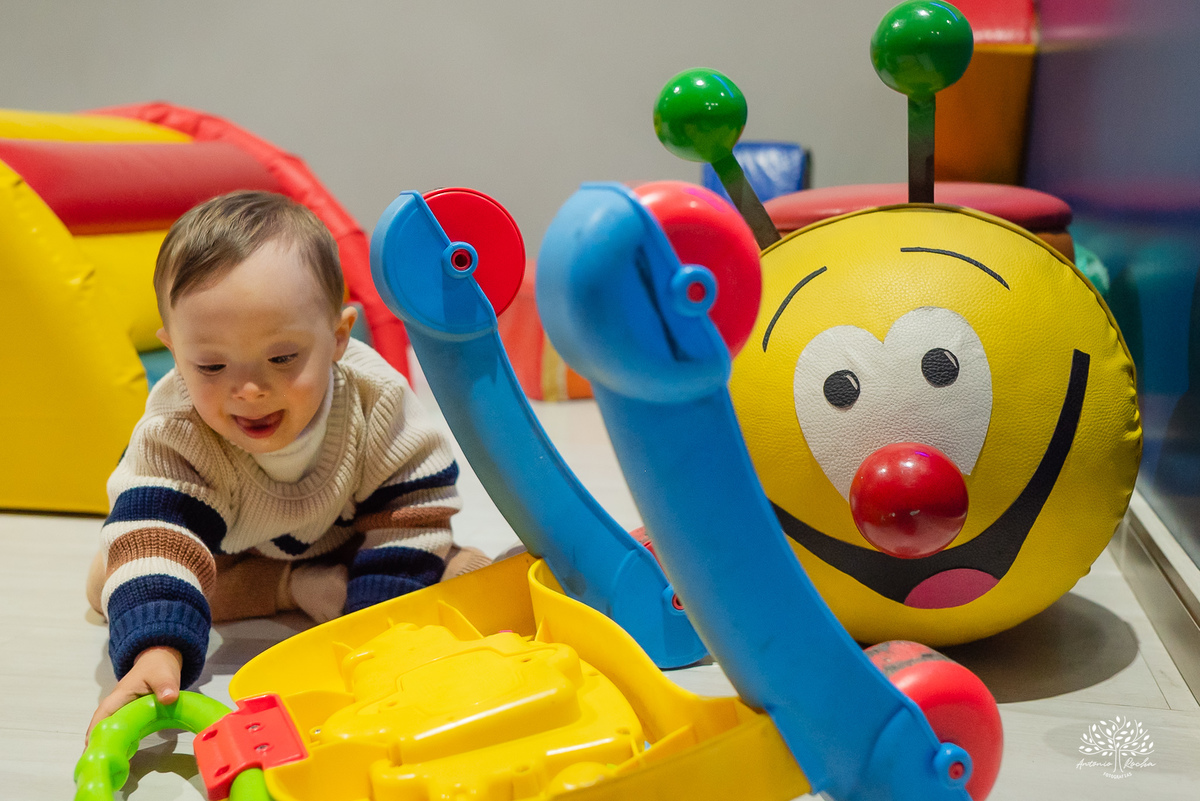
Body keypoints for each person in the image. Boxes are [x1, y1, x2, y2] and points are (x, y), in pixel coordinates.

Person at [85, 190, 489, 734]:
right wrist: (157, 652)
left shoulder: (376, 400)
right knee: (117, 581)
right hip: (224, 553)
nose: (249, 390)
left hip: (348, 534)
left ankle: (341, 585)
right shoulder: (176, 428)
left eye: (281, 358)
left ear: (338, 337)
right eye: (210, 366)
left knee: (449, 565)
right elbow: (159, 535)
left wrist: (375, 632)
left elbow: (411, 512)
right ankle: (291, 586)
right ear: (175, 353)